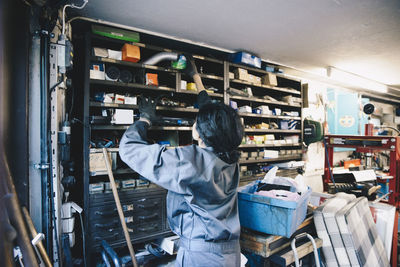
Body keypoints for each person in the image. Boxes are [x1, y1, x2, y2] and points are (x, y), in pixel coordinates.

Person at [119, 55, 244, 267]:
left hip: (201, 257)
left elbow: (129, 149)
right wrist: (196, 77)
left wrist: (144, 120)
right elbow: (213, 115)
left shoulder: (190, 162)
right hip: (230, 253)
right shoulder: (230, 157)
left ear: (200, 133)